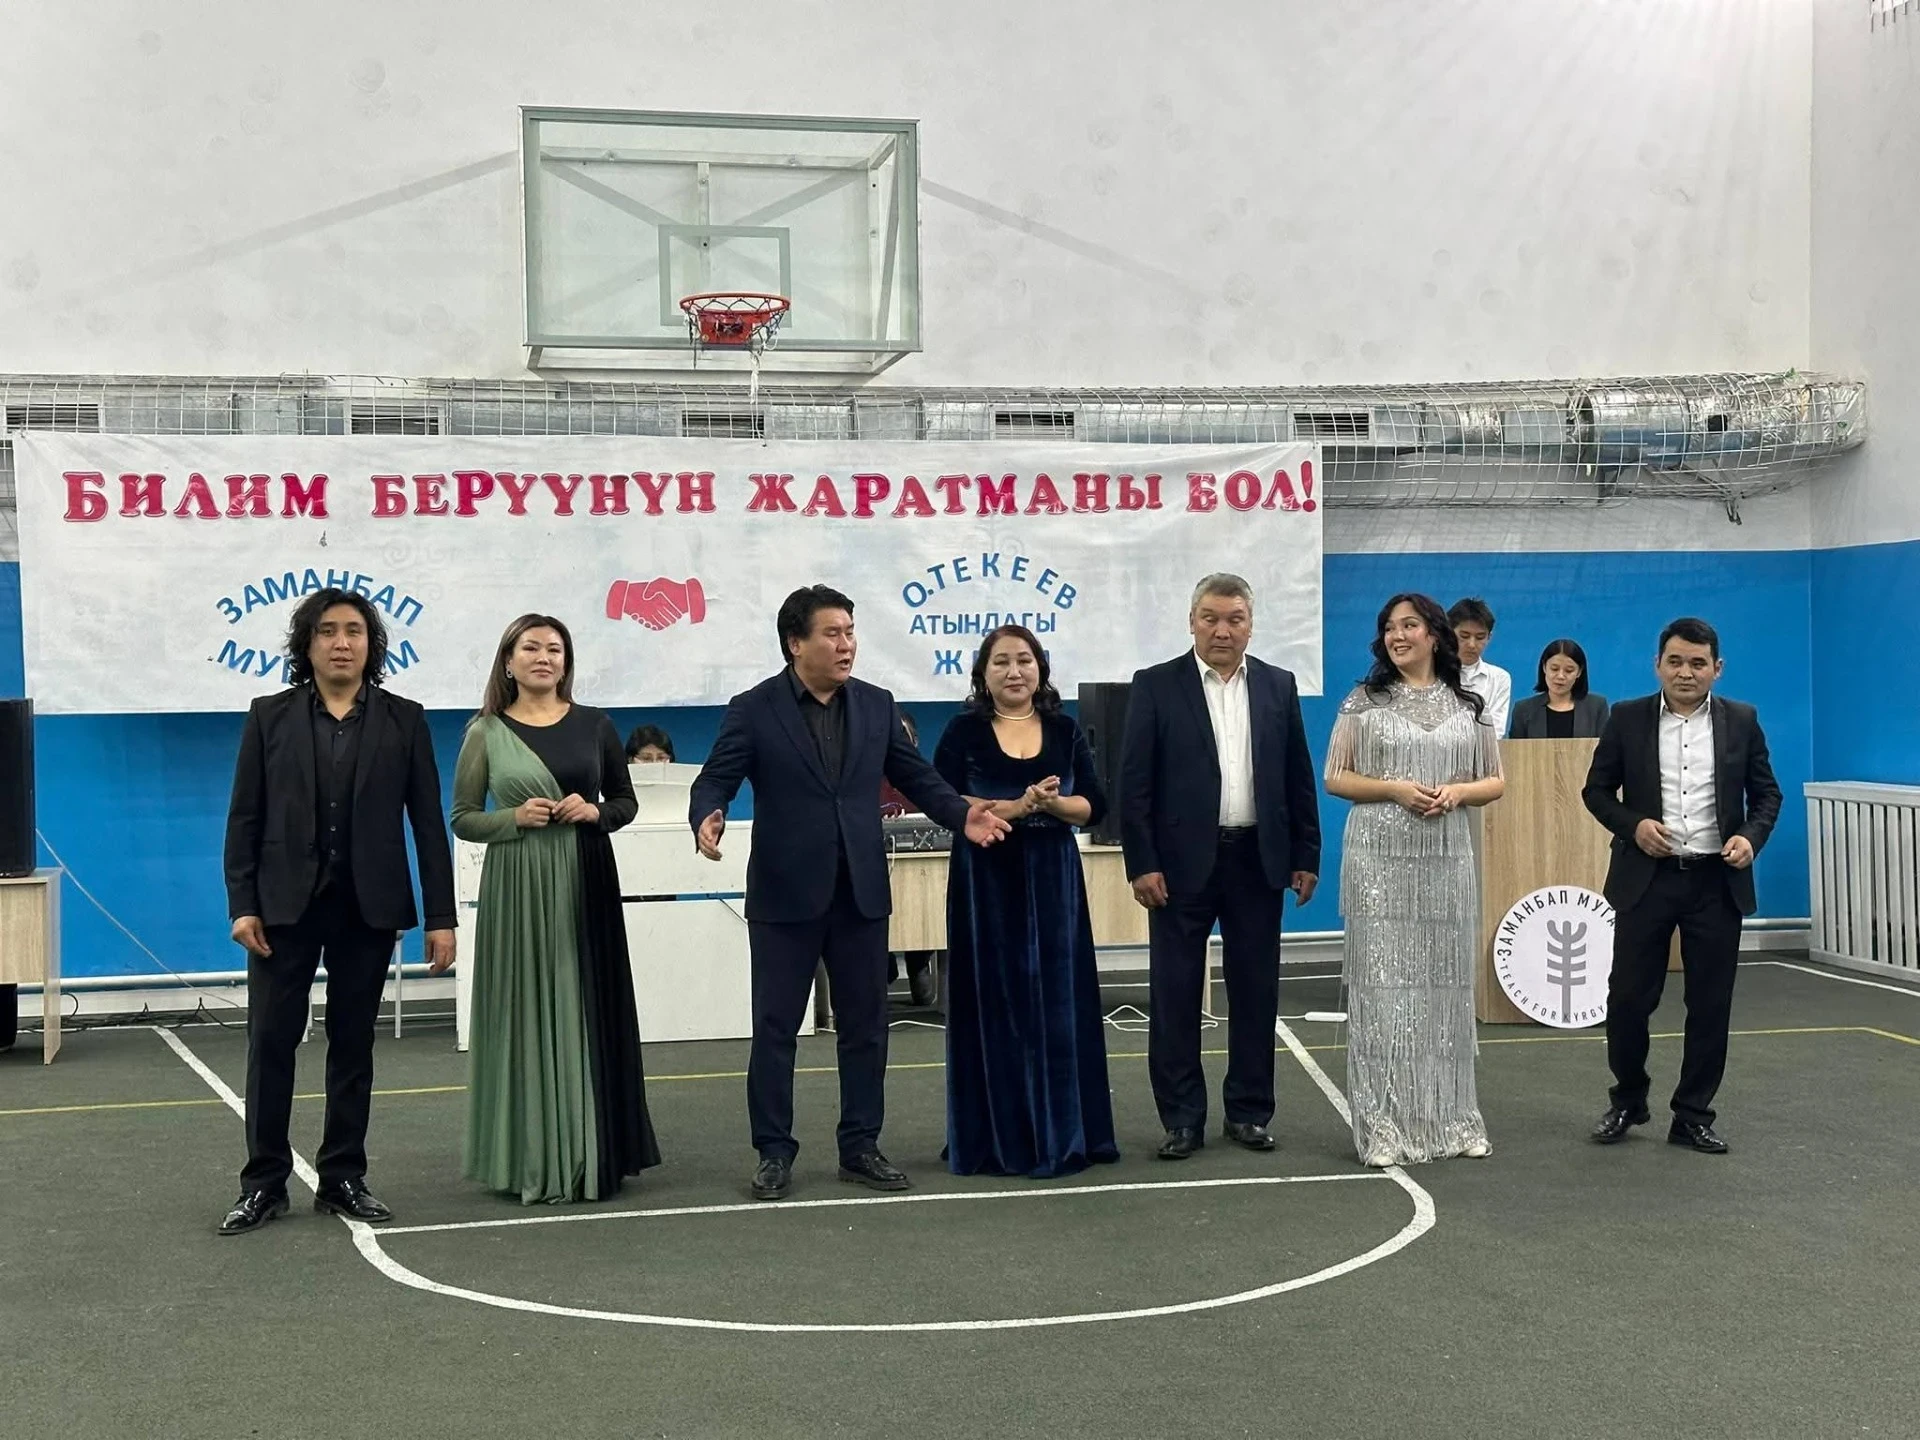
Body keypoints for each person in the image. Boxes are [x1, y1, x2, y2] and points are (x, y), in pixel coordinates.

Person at [689, 585, 1009, 1201]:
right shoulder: (754, 709)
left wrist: (961, 814)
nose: (846, 645)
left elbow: (918, 778)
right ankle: (774, 1151)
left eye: (851, 632)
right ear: (795, 643)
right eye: (832, 633)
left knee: (866, 1027)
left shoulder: (877, 705)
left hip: (861, 893)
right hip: (785, 895)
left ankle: (860, 1146)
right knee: (776, 1028)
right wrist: (709, 813)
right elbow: (716, 777)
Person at [219, 588, 456, 1235]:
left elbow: (427, 824)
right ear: (308, 644)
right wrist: (242, 904)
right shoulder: (268, 717)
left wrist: (441, 916)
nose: (342, 642)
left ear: (372, 646)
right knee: (271, 1044)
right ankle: (263, 1183)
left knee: (353, 1045)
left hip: (368, 910)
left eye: (354, 630)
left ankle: (343, 1176)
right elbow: (244, 818)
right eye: (327, 631)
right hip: (281, 910)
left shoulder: (405, 720)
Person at [452, 614, 660, 1203]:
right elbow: (463, 818)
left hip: (584, 878)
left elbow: (625, 802)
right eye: (531, 647)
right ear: (508, 660)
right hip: (516, 886)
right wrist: (513, 818)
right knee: (524, 1009)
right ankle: (530, 1155)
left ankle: (591, 1151)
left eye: (555, 649)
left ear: (566, 662)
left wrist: (595, 812)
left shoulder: (596, 726)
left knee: (584, 1000)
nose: (543, 657)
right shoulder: (484, 732)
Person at [1120, 573, 1322, 1160]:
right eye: (1210, 618)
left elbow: (1297, 776)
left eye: (1234, 619)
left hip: (1258, 859)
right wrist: (1141, 863)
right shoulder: (1155, 685)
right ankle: (1182, 1120)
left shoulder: (1278, 685)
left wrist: (1306, 854)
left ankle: (1249, 1113)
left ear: (1250, 626)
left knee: (1256, 991)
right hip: (1178, 866)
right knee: (1176, 994)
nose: (1222, 630)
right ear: (1192, 622)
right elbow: (1134, 784)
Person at [1582, 617, 1781, 1154]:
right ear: (1658, 666)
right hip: (1646, 880)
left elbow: (1767, 795)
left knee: (1710, 1004)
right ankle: (1628, 1099)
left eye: (1697, 663)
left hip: (1717, 881)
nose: (1685, 672)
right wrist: (1634, 826)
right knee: (1628, 999)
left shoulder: (1743, 720)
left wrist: (1750, 838)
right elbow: (1596, 791)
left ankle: (1692, 1115)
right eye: (1675, 661)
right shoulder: (1627, 718)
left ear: (1717, 668)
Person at [1324, 592, 1505, 1166]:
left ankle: (1452, 1118)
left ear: (1434, 634)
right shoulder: (1363, 700)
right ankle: (1381, 1125)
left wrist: (1458, 792)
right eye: (1389, 627)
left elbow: (1494, 781)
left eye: (1409, 625)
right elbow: (1336, 777)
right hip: (1377, 858)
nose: (1397, 635)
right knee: (1382, 991)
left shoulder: (1469, 704)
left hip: (1445, 857)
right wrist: (1395, 789)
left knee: (1443, 988)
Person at [934, 624, 1118, 1177]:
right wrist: (1015, 806)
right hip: (985, 880)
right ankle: (995, 1137)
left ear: (1040, 669)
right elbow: (942, 798)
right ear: (982, 674)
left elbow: (1094, 805)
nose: (1014, 672)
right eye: (1001, 662)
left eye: (1024, 660)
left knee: (1058, 1003)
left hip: (1052, 878)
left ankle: (1064, 1132)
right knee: (993, 1000)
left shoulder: (1064, 729)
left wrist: (1051, 805)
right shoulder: (963, 731)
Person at [880, 710, 939, 1007]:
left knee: (930, 896)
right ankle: (884, 963)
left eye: (906, 737)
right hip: (875, 868)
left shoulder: (924, 777)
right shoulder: (863, 777)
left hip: (922, 874)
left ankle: (920, 959)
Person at [1508, 639, 1611, 739]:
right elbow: (1515, 749)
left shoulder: (1597, 707)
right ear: (1544, 668)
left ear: (1579, 672)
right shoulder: (1523, 710)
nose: (1560, 676)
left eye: (1569, 671)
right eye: (1554, 669)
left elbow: (1606, 748)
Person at [1450, 597, 1512, 736]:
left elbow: (1496, 731)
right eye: (1464, 636)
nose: (1472, 644)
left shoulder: (1499, 678)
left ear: (1489, 637)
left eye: (1480, 637)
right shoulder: (1433, 673)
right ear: (1449, 633)